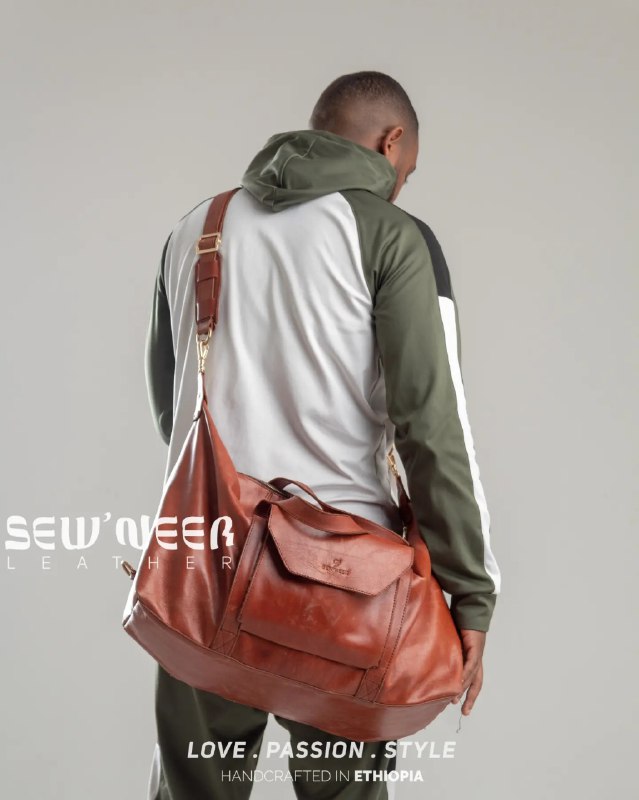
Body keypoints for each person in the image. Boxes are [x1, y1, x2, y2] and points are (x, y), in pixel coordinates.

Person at [143, 70, 501, 800]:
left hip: (204, 570)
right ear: (391, 143)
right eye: (406, 171)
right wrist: (471, 594)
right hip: (345, 591)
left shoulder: (195, 228)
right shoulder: (394, 237)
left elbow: (170, 407)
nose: (399, 187)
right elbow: (432, 428)